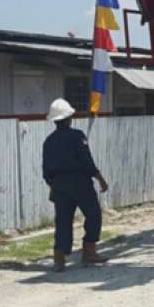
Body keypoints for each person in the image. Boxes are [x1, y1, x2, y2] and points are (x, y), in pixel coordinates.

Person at [42, 98, 109, 273]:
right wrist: (100, 178)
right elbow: (87, 162)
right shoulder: (77, 136)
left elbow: (46, 170)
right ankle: (89, 251)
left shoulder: (49, 141)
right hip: (80, 183)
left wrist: (53, 187)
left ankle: (59, 259)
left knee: (63, 221)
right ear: (69, 118)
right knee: (93, 214)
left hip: (59, 185)